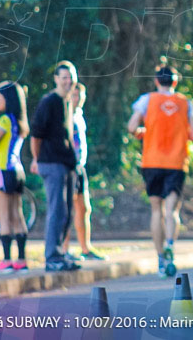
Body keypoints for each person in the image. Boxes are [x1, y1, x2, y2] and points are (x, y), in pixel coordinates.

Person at [128, 65, 193, 277]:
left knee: (156, 210)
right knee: (172, 211)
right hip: (176, 163)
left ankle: (160, 259)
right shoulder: (185, 103)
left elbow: (132, 127)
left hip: (152, 161)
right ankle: (170, 244)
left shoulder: (147, 100)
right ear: (175, 83)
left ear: (157, 81)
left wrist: (142, 131)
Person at [30, 61, 80, 272]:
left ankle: (61, 252)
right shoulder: (49, 102)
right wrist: (37, 159)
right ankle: (52, 256)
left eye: (71, 77)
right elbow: (36, 134)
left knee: (67, 211)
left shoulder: (67, 102)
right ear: (56, 79)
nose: (68, 81)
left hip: (67, 163)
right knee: (56, 209)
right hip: (51, 162)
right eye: (64, 77)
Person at [0, 81, 30, 273]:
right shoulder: (21, 123)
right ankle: (21, 260)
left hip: (1, 170)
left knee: (4, 218)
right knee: (17, 215)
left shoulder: (5, 120)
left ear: (7, 98)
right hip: (17, 170)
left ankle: (6, 261)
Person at [63, 83, 105, 260]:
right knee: (67, 208)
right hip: (68, 167)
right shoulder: (65, 115)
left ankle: (85, 248)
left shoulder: (79, 115)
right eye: (74, 95)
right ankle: (64, 249)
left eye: (81, 95)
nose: (78, 99)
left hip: (80, 167)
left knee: (84, 208)